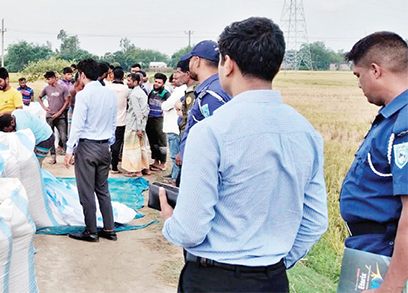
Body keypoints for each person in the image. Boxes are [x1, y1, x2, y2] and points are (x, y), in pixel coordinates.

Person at [159, 17, 328, 292]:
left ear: (228, 64)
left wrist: (169, 223)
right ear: (278, 66)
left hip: (214, 279)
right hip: (272, 280)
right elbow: (315, 219)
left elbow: (190, 230)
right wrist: (276, 262)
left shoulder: (211, 131)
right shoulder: (306, 133)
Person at [340, 32, 408, 293]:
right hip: (370, 253)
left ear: (375, 70)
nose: (359, 85)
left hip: (382, 260)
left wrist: (390, 286)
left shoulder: (403, 125)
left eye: (359, 76)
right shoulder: (392, 118)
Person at [64, 58, 118, 243]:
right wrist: (109, 142)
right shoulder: (110, 95)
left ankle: (91, 230)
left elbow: (77, 125)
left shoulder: (84, 96)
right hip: (104, 146)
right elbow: (113, 122)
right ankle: (109, 228)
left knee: (86, 191)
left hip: (87, 147)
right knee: (102, 189)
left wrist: (69, 149)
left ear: (83, 75)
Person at [177, 40, 231, 186]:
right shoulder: (215, 87)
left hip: (204, 174)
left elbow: (219, 139)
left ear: (196, 61)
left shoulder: (211, 95)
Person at [121, 73, 151, 177]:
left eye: (129, 81)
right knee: (140, 146)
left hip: (134, 125)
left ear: (136, 82)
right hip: (140, 124)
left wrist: (139, 128)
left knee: (132, 148)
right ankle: (145, 168)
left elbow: (138, 113)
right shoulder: (142, 93)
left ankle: (135, 170)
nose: (127, 82)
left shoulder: (134, 95)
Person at [39, 71, 70, 159]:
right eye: (46, 79)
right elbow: (39, 97)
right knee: (51, 136)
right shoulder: (47, 88)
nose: (47, 81)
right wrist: (44, 107)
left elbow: (67, 101)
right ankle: (53, 156)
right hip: (50, 116)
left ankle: (68, 155)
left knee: (64, 137)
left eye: (49, 79)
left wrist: (60, 112)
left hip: (60, 116)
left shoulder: (62, 88)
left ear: (53, 78)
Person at [161, 73, 185, 181]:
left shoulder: (180, 90)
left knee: (175, 155)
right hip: (173, 127)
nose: (173, 81)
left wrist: (165, 106)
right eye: (173, 78)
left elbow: (165, 105)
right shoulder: (179, 90)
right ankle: (173, 174)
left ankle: (175, 178)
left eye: (176, 78)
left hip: (173, 127)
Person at [106, 68, 130, 173]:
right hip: (121, 121)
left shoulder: (108, 88)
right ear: (123, 77)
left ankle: (106, 165)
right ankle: (114, 166)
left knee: (107, 143)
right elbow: (129, 102)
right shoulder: (126, 89)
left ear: (112, 76)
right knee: (117, 144)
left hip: (108, 121)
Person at [146, 73, 171, 171]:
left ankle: (163, 163)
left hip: (159, 120)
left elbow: (170, 105)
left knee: (161, 141)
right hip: (150, 118)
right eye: (155, 81)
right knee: (153, 142)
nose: (156, 84)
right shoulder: (152, 92)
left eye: (159, 82)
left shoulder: (166, 94)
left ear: (163, 83)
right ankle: (156, 161)